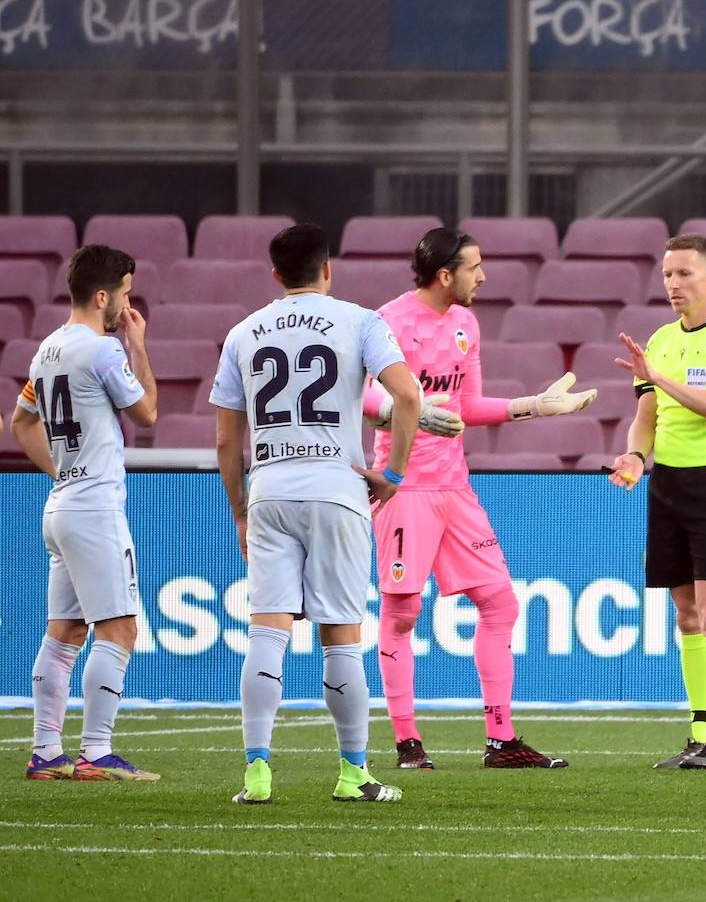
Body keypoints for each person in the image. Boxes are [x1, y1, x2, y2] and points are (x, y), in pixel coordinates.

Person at [364, 228, 595, 770]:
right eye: (475, 267)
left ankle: (501, 740)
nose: (483, 276)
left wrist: (532, 406)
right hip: (404, 488)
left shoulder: (466, 324)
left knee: (501, 602)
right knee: (402, 612)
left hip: (455, 487)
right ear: (446, 275)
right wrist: (411, 410)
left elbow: (466, 405)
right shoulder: (388, 322)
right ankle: (407, 743)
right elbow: (364, 395)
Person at [211, 223, 421, 804]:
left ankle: (257, 774)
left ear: (276, 275)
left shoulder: (243, 333)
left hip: (270, 490)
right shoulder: (360, 321)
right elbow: (407, 396)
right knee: (341, 639)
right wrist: (394, 475)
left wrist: (239, 511)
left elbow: (228, 441)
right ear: (328, 268)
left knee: (267, 630)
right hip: (337, 488)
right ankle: (353, 775)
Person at [610, 233, 706, 771]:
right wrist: (633, 456)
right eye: (667, 275)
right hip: (667, 484)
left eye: (684, 274)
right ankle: (699, 733)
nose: (673, 284)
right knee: (686, 614)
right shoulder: (658, 341)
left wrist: (660, 376)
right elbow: (647, 418)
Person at [11, 244, 159, 781]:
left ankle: (46, 751)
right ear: (103, 296)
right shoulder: (101, 351)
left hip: (62, 506)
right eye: (124, 292)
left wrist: (61, 472)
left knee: (64, 634)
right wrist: (138, 345)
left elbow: (21, 423)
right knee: (118, 629)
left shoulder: (46, 350)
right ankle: (96, 751)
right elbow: (146, 413)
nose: (127, 303)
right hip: (94, 508)